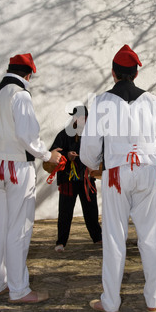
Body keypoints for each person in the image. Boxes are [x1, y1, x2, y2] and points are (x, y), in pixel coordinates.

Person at [80, 44, 156, 312]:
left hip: (116, 174)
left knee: (113, 237)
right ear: (136, 74)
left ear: (113, 73)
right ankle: (155, 299)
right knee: (150, 237)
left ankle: (110, 301)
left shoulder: (101, 102)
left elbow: (88, 150)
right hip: (147, 170)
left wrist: (96, 165)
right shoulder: (153, 101)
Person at [0, 53, 62, 303]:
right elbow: (28, 136)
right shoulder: (20, 94)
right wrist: (48, 155)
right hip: (17, 168)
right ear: (28, 75)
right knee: (19, 229)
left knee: (0, 226)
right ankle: (19, 290)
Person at [49, 106, 102, 252]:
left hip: (86, 179)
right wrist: (67, 155)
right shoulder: (63, 135)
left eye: (85, 118)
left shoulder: (92, 135)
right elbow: (53, 153)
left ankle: (97, 237)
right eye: (79, 117)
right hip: (68, 180)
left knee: (91, 210)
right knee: (65, 212)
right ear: (74, 118)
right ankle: (61, 242)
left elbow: (98, 153)